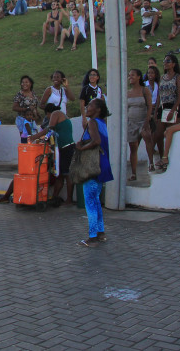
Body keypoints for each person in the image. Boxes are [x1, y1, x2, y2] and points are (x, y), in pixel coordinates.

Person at [77, 98, 112, 247]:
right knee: (96, 200)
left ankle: (92, 237)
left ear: (97, 109)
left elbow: (96, 141)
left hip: (92, 165)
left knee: (90, 201)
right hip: (102, 165)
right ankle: (100, 232)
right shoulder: (102, 123)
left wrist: (81, 148)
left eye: (90, 105)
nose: (87, 107)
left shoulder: (93, 123)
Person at [126, 69, 153, 182]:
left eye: (132, 75)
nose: (130, 77)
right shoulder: (128, 92)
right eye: (129, 75)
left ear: (138, 77)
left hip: (143, 120)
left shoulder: (144, 90)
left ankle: (151, 163)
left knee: (147, 139)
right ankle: (133, 172)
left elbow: (149, 106)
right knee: (133, 147)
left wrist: (147, 121)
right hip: (131, 123)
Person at [12, 76, 40, 143]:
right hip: (22, 120)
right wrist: (26, 109)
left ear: (30, 83)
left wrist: (36, 115)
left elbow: (35, 106)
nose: (24, 84)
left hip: (32, 120)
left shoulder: (33, 93)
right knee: (25, 139)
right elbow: (14, 107)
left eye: (26, 82)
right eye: (22, 82)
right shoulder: (19, 94)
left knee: (33, 139)